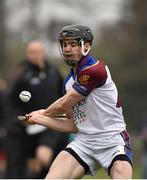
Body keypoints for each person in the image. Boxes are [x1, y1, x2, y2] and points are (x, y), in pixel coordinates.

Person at [25, 25, 133, 179]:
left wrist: (42, 114)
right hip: (84, 142)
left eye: (73, 44)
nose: (67, 49)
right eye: (64, 44)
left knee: (121, 174)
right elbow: (73, 124)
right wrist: (41, 120)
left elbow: (64, 104)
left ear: (86, 46)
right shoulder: (68, 82)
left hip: (113, 141)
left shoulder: (95, 70)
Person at [5, 41, 69, 179]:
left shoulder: (53, 71)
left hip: (50, 124)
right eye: (31, 52)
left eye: (37, 52)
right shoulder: (21, 73)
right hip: (27, 125)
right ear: (27, 54)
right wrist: (15, 120)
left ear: (43, 53)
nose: (35, 55)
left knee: (44, 157)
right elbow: (10, 100)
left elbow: (64, 95)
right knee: (24, 164)